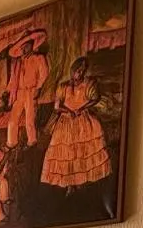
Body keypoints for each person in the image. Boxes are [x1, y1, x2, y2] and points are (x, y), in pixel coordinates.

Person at [41, 57, 111, 190]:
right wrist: (69, 111)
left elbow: (95, 98)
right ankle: (69, 184)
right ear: (73, 71)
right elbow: (57, 106)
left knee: (82, 152)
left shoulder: (89, 84)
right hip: (66, 121)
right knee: (66, 152)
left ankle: (81, 182)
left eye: (83, 71)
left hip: (83, 120)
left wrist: (82, 108)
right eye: (78, 71)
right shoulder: (64, 86)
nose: (81, 73)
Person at [5, 33, 49, 148]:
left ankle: (32, 141)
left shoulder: (38, 58)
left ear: (32, 45)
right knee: (13, 120)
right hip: (19, 93)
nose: (24, 49)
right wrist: (7, 91)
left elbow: (43, 74)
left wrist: (38, 88)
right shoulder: (18, 63)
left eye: (27, 46)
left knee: (29, 120)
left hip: (31, 91)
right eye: (22, 47)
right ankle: (11, 143)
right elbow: (13, 79)